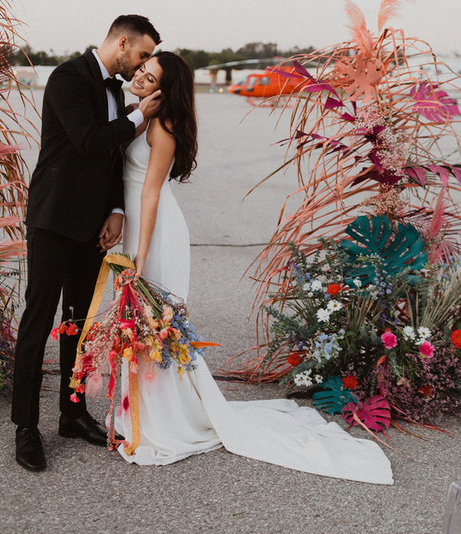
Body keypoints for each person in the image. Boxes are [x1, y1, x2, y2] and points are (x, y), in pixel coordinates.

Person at [114, 51, 394, 483]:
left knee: (155, 324)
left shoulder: (164, 127)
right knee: (140, 324)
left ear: (164, 90)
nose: (139, 79)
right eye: (140, 72)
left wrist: (142, 256)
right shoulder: (140, 114)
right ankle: (138, 414)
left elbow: (150, 193)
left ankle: (164, 421)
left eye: (149, 78)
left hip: (154, 233)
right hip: (136, 224)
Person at [12, 14, 162, 471]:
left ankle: (72, 414)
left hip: (92, 228)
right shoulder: (67, 78)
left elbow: (112, 159)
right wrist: (142, 115)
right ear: (122, 42)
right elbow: (88, 142)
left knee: (77, 322)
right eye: (141, 55)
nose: (142, 65)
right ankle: (25, 429)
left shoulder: (115, 92)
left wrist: (116, 210)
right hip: (54, 219)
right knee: (39, 322)